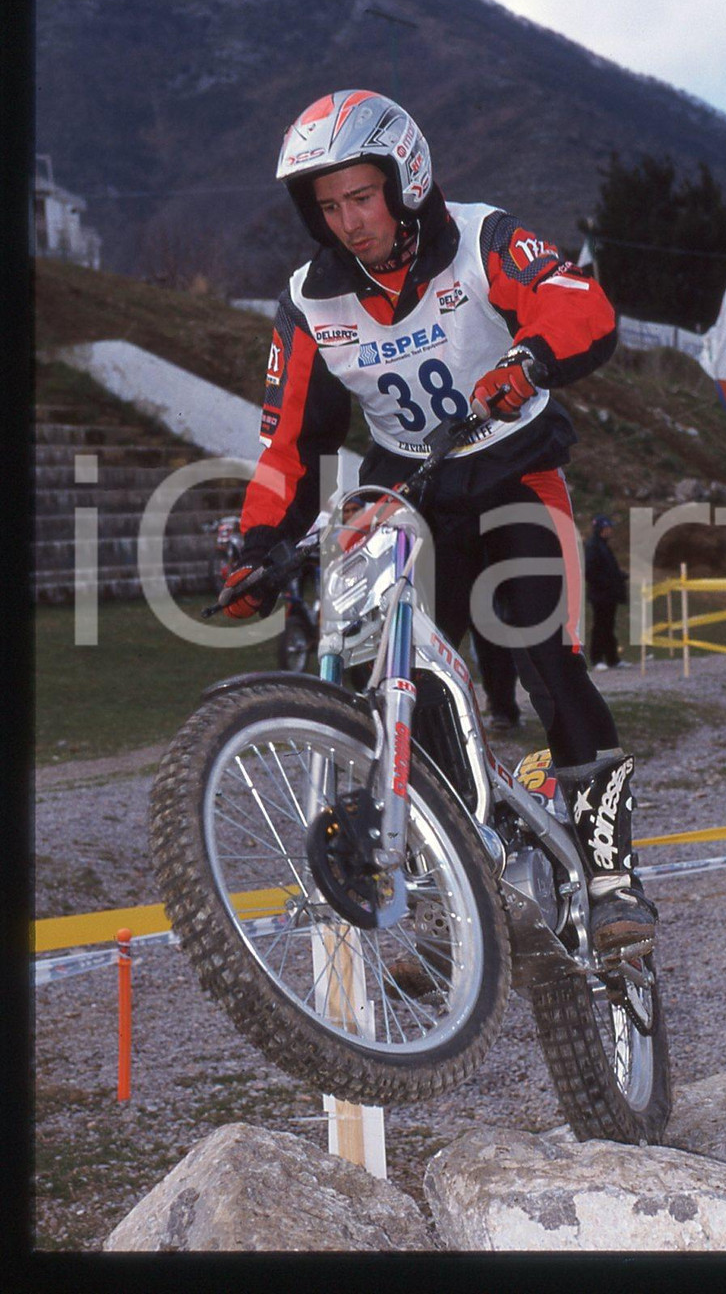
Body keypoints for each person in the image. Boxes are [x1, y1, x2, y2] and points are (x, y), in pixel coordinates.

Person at [221, 88, 656, 956]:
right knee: (384, 675)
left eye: (361, 197)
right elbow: (289, 444)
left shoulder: (482, 237)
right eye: (329, 205)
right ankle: (459, 889)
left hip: (512, 471)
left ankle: (612, 875)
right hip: (406, 489)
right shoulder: (311, 300)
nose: (348, 221)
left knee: (546, 657)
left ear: (404, 179)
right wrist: (258, 545)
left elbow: (581, 304)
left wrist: (529, 358)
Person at [584, 514, 629, 670]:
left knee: (609, 626)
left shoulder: (604, 546)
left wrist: (620, 576)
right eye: (607, 528)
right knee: (600, 627)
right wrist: (607, 582)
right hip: (600, 595)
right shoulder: (593, 546)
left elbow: (608, 569)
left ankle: (612, 659)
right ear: (600, 529)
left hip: (609, 595)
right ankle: (597, 659)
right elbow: (590, 572)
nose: (610, 531)